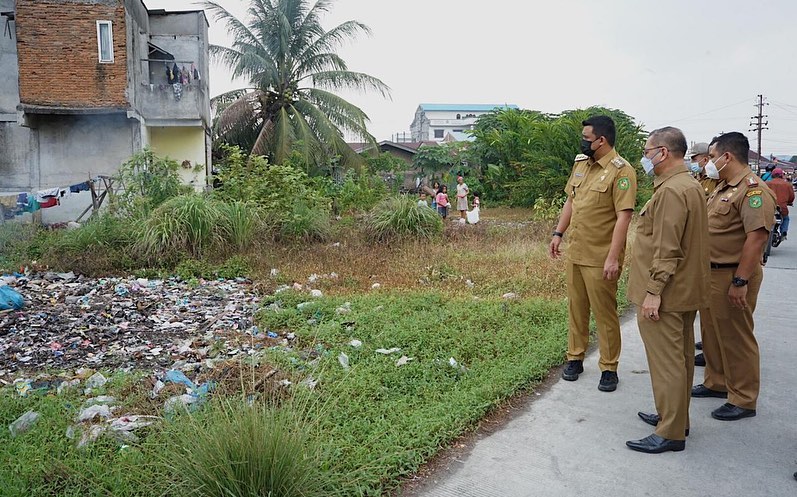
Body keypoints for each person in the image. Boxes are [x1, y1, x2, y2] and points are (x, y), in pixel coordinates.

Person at [625, 127, 710, 454]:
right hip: (683, 291)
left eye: (648, 151)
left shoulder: (673, 191)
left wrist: (653, 291)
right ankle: (675, 418)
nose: (645, 157)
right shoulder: (687, 185)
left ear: (662, 152)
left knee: (668, 363)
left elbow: (667, 248)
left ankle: (671, 431)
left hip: (668, 293)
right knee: (682, 358)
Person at [549, 115, 637, 392]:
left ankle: (609, 366)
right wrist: (558, 233)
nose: (583, 143)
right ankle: (575, 357)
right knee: (576, 308)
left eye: (587, 139)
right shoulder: (580, 164)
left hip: (601, 255)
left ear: (602, 140)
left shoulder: (622, 171)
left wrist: (613, 257)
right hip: (576, 250)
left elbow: (624, 218)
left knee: (604, 313)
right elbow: (571, 201)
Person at [691, 132, 775, 421]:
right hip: (711, 273)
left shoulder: (752, 190)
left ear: (727, 157)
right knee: (712, 334)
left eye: (713, 157)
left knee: (736, 337)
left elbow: (757, 238)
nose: (709, 163)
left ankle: (743, 398)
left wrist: (740, 281)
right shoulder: (722, 187)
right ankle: (717, 382)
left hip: (732, 274)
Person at [766, 167, 794, 239]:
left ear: (772, 175)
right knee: (785, 218)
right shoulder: (787, 185)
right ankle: (783, 231)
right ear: (782, 175)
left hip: (769, 206)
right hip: (782, 207)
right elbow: (791, 197)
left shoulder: (767, 184)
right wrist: (790, 202)